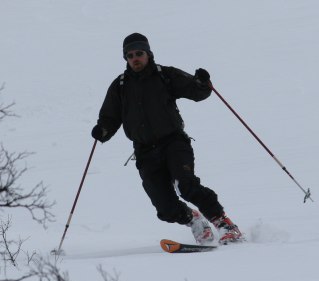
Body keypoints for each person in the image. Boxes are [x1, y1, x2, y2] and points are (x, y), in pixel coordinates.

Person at [91, 33, 244, 245]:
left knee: (186, 186)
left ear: (148, 53)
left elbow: (196, 90)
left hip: (173, 142)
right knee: (164, 207)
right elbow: (110, 117)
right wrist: (103, 130)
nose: (135, 58)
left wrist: (202, 83)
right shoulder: (120, 85)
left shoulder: (165, 75)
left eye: (139, 53)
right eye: (130, 55)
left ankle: (226, 225)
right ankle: (194, 221)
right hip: (144, 151)